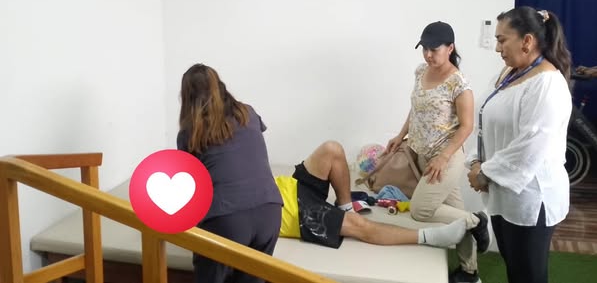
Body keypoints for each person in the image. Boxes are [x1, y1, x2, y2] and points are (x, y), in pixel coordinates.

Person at [466, 7, 572, 283]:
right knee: (515, 270)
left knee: (528, 275)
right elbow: (484, 118)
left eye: (502, 40)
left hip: (531, 198)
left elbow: (530, 147)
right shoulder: (509, 73)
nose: (497, 48)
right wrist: (475, 162)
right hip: (503, 191)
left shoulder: (547, 84)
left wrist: (483, 173)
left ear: (527, 41)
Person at [385, 21, 489, 283]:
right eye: (425, 49)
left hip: (446, 158)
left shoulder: (459, 83)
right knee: (454, 211)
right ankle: (470, 272)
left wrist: (443, 157)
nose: (428, 55)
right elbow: (416, 109)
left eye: (434, 49)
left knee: (420, 210)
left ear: (450, 48)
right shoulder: (421, 71)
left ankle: (476, 221)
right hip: (423, 155)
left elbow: (467, 126)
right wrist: (401, 135)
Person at [176, 64, 283, 283]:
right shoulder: (248, 113)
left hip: (226, 217)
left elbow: (189, 189)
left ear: (187, 98)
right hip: (270, 211)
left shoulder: (189, 133)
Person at [275, 140, 469, 249]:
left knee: (331, 149)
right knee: (359, 225)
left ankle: (346, 207)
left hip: (288, 188)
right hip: (293, 212)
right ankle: (432, 236)